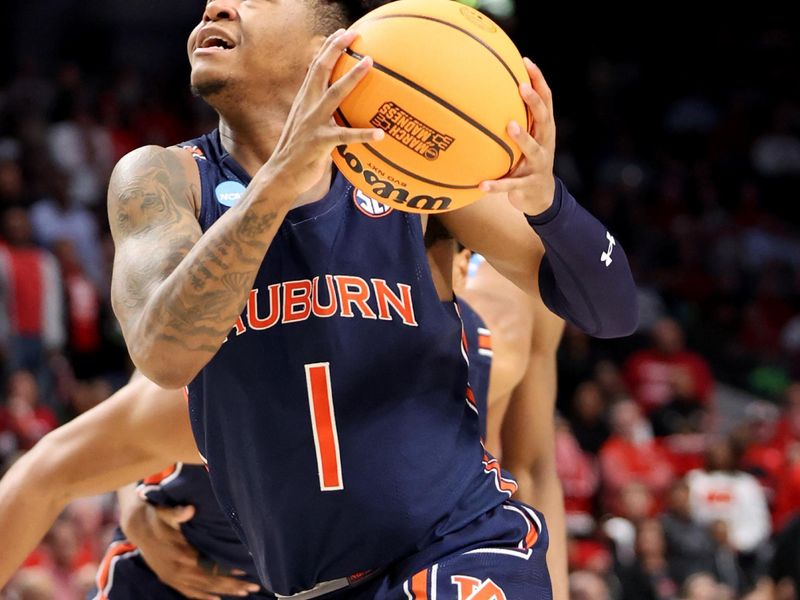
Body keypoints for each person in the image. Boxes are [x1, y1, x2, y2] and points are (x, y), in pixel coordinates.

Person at [107, 1, 637, 597]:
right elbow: (163, 354)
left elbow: (612, 312)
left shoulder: (409, 175)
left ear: (327, 48)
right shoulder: (163, 179)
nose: (216, 5)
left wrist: (548, 202)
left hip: (460, 543)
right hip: (313, 584)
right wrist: (277, 184)